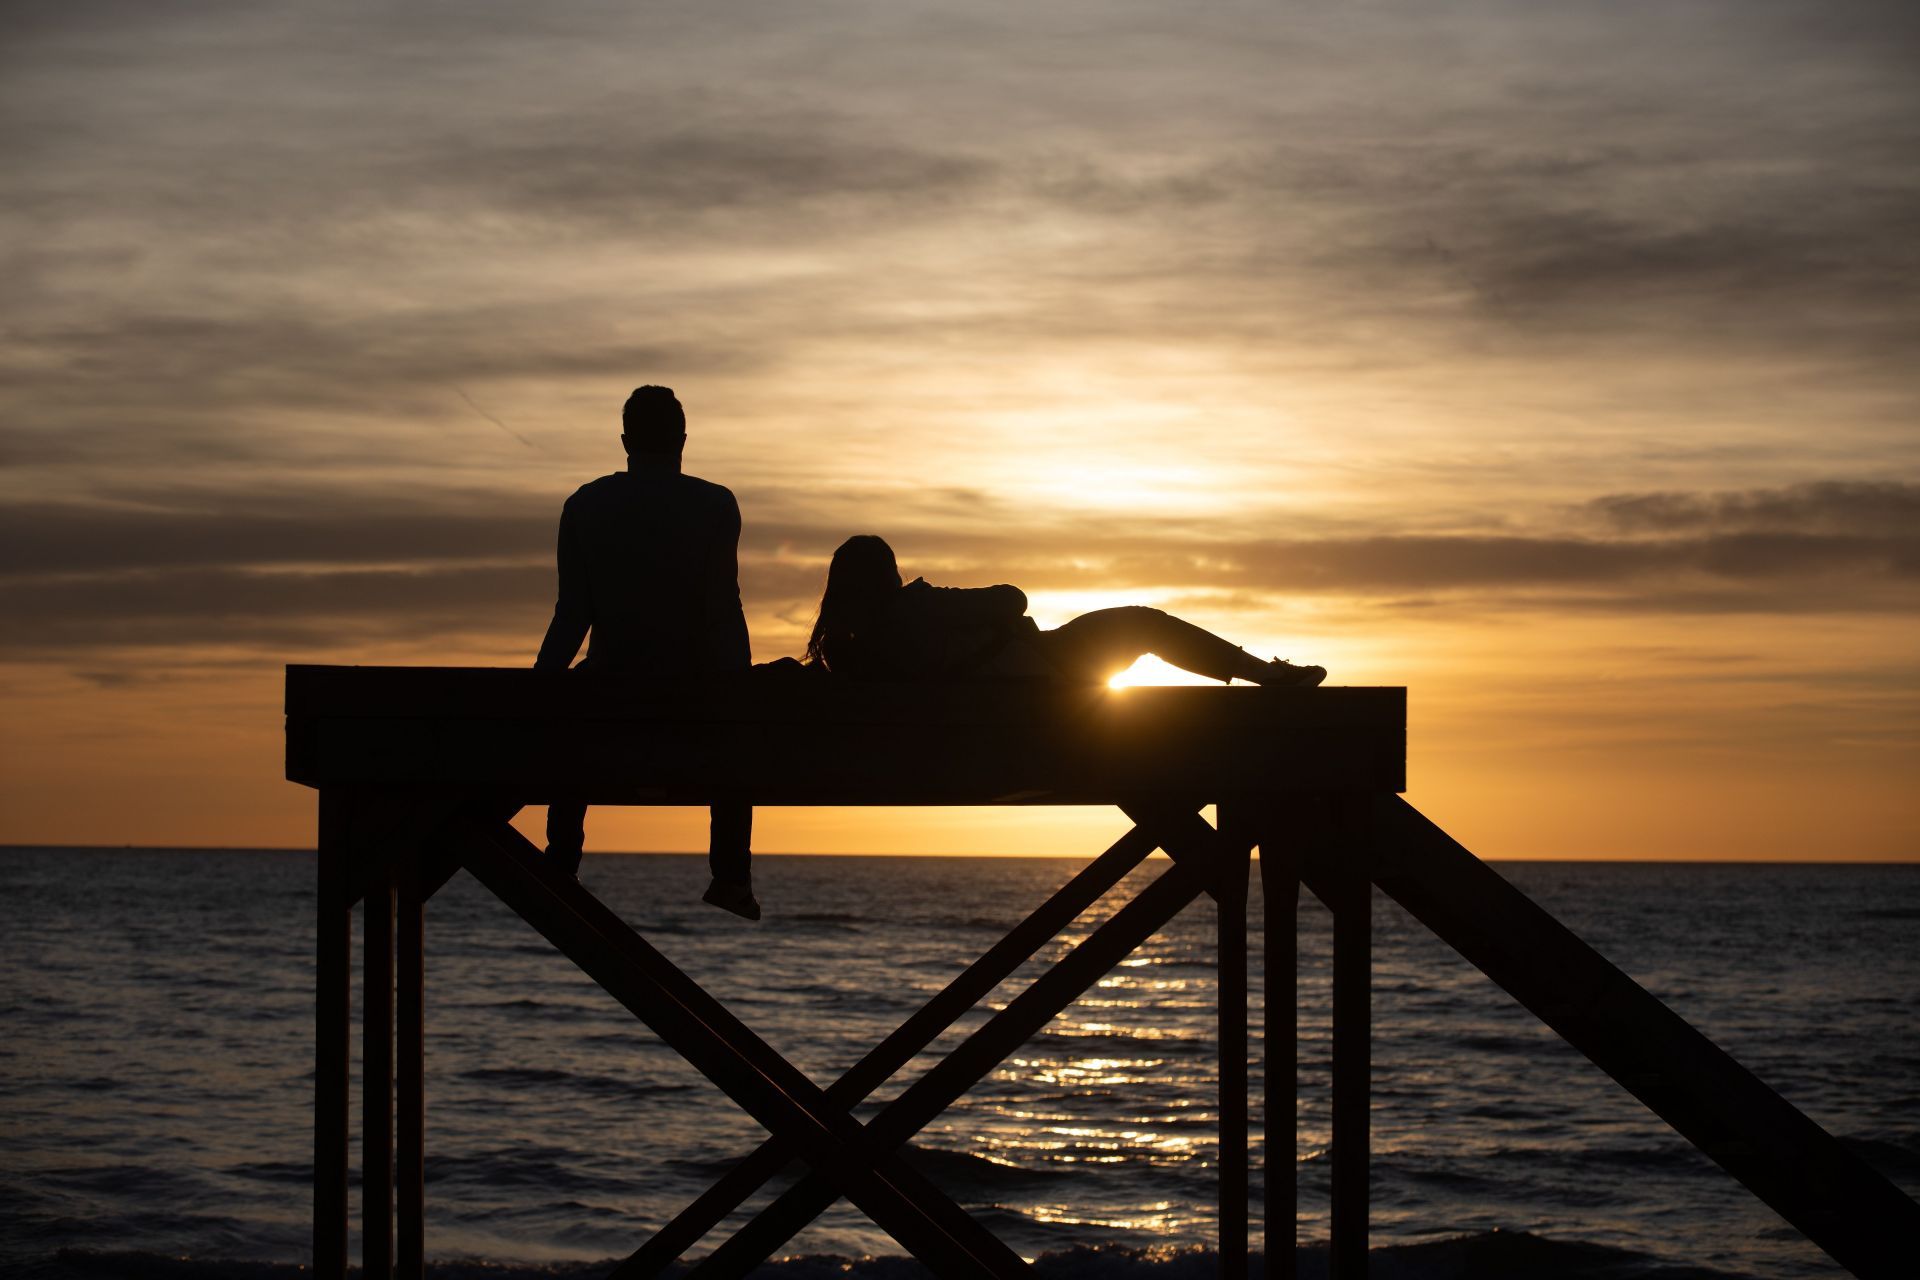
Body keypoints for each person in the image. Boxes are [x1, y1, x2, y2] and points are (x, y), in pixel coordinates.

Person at [535, 386, 760, 920]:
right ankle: (730, 875)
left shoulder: (585, 504)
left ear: (625, 441)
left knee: (572, 707)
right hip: (694, 701)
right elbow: (721, 609)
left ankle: (562, 858)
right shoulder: (715, 505)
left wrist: (537, 690)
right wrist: (742, 689)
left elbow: (573, 613)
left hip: (609, 697)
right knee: (735, 730)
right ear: (683, 440)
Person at [803, 534, 1326, 687]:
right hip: (1044, 665)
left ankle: (1264, 674)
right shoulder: (914, 607)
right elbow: (1013, 597)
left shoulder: (845, 649)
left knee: (1142, 624)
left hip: (1008, 685)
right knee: (1145, 622)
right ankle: (1265, 675)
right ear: (887, 575)